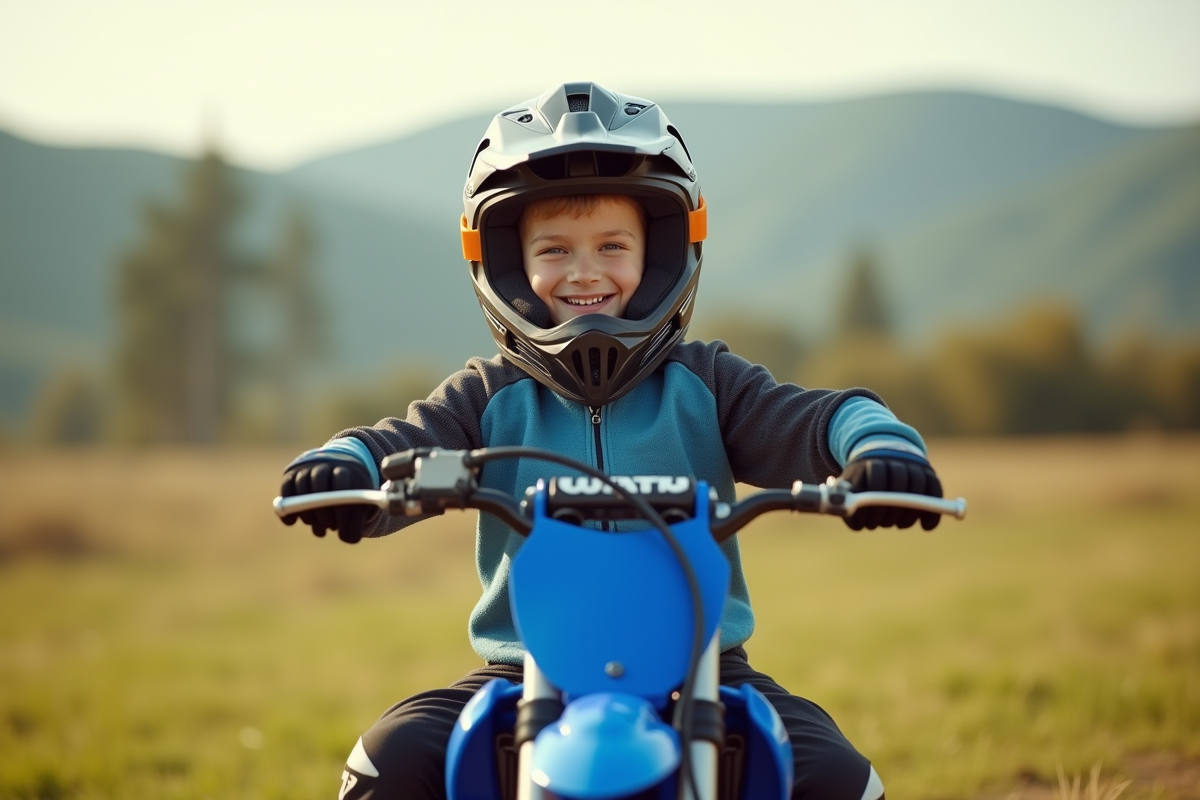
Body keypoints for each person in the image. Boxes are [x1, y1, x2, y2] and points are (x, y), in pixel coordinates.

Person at [279, 81, 942, 800]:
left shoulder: (710, 383)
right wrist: (345, 466)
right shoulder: (485, 395)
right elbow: (400, 442)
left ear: (662, 253)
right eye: (554, 249)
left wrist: (878, 446)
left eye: (612, 245)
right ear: (505, 262)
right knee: (387, 759)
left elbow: (814, 417)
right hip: (524, 668)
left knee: (843, 780)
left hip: (709, 671)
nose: (584, 271)